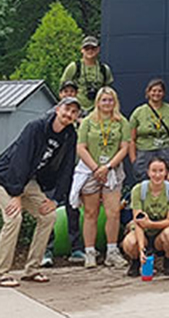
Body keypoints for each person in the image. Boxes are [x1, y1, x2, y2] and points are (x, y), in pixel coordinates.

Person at [0, 96, 81, 287]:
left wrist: (56, 199)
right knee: (14, 218)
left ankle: (32, 269)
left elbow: (67, 168)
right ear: (57, 109)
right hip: (6, 177)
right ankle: (1, 272)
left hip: (29, 181)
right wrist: (16, 194)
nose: (69, 114)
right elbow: (20, 159)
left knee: (48, 216)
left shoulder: (69, 135)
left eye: (74, 112)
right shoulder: (36, 127)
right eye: (66, 109)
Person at [74, 86, 130, 269]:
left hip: (112, 171)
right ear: (97, 102)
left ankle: (112, 252)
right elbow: (81, 147)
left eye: (110, 100)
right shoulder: (88, 121)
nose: (107, 103)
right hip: (90, 170)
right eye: (104, 100)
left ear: (115, 102)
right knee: (91, 213)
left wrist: (108, 167)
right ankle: (89, 252)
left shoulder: (122, 122)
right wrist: (96, 168)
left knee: (113, 212)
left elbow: (124, 148)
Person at [42, 81, 85, 267]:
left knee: (73, 208)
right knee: (47, 209)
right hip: (49, 172)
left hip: (72, 170)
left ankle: (76, 248)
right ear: (60, 95)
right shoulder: (49, 117)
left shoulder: (82, 118)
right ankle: (46, 250)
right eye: (66, 91)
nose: (69, 94)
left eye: (72, 91)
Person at [123, 156, 169, 277]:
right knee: (130, 242)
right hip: (142, 232)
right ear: (148, 172)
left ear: (166, 172)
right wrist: (141, 250)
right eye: (154, 171)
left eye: (161, 171)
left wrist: (150, 224)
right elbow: (138, 222)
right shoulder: (138, 190)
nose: (157, 175)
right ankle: (135, 261)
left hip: (161, 232)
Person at [129, 78, 169, 180]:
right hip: (145, 152)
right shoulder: (138, 112)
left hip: (167, 150)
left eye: (160, 91)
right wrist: (134, 160)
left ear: (163, 93)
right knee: (145, 182)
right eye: (153, 91)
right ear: (148, 92)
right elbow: (131, 139)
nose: (156, 93)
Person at [60, 36, 114, 113]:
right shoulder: (74, 67)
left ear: (98, 49)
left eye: (93, 48)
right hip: (76, 109)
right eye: (87, 48)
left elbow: (108, 91)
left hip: (97, 110)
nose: (90, 51)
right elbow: (63, 88)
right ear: (82, 50)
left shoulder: (104, 69)